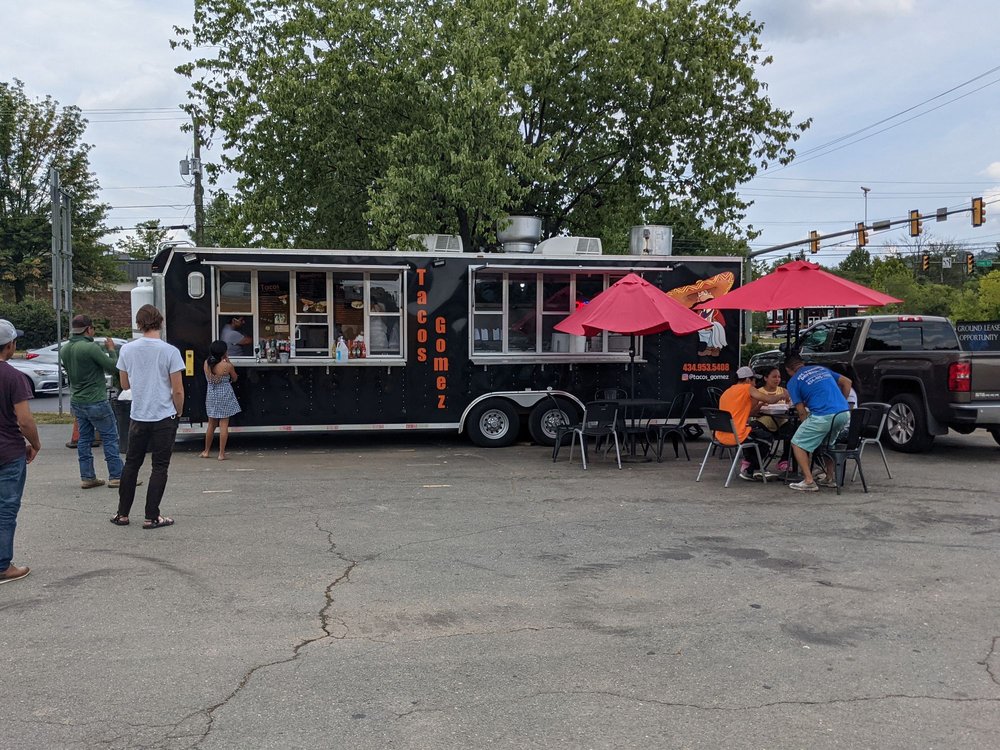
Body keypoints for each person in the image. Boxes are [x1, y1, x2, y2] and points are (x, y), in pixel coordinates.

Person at [112, 305, 185, 529]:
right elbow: (178, 390)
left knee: (132, 464)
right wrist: (179, 411)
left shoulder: (127, 350)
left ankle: (122, 514)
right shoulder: (170, 351)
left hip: (139, 415)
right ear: (160, 322)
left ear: (139, 324)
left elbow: (124, 384)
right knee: (159, 467)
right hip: (164, 415)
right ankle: (151, 516)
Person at [59, 315, 123, 489]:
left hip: (77, 400)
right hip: (96, 399)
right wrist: (111, 350)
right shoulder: (90, 347)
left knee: (84, 439)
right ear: (88, 329)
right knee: (110, 437)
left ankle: (88, 477)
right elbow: (113, 366)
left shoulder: (65, 349)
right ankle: (116, 475)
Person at [0, 319, 40, 584]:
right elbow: (24, 420)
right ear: (10, 345)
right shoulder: (13, 377)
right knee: (5, 509)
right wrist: (35, 444)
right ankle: (3, 565)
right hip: (8, 451)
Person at [783, 354, 852, 492]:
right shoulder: (821, 369)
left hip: (823, 415)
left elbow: (801, 412)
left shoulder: (793, 381)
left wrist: (805, 427)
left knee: (797, 443)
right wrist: (841, 402)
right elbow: (847, 382)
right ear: (802, 363)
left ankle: (808, 480)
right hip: (843, 413)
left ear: (788, 370)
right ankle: (829, 477)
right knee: (828, 444)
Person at [715, 366, 785, 481]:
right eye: (754, 380)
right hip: (737, 435)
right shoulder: (747, 388)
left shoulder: (728, 391)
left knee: (756, 434)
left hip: (722, 435)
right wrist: (782, 395)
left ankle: (751, 466)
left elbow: (747, 413)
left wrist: (759, 405)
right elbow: (770, 400)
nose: (755, 383)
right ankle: (752, 470)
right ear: (748, 379)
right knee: (767, 438)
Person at [201, 340, 240, 460]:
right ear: (224, 352)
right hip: (224, 395)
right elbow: (235, 378)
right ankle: (221, 454)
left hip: (211, 395)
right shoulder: (227, 366)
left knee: (211, 424)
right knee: (223, 425)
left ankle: (206, 451)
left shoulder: (206, 363)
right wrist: (228, 361)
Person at [753, 366, 794, 472]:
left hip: (781, 422)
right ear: (766, 378)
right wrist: (761, 405)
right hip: (764, 423)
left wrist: (787, 405)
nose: (777, 379)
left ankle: (784, 460)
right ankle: (753, 461)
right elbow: (752, 411)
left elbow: (790, 405)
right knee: (755, 431)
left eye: (779, 377)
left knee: (793, 432)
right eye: (774, 377)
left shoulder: (784, 391)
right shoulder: (758, 392)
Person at [695, 289, 727, 356]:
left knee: (711, 335)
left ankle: (715, 349)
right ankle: (707, 349)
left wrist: (713, 325)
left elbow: (722, 323)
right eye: (699, 294)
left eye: (702, 293)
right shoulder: (700, 312)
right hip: (702, 330)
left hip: (712, 329)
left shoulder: (715, 311)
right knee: (702, 336)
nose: (700, 295)